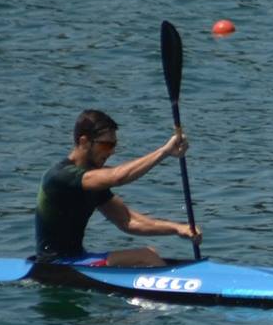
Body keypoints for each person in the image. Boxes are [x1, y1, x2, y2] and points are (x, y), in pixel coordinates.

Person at [34, 109, 198, 267]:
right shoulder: (61, 176)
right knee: (145, 256)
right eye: (106, 145)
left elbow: (127, 221)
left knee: (150, 252)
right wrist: (165, 151)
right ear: (84, 142)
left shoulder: (92, 181)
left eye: (114, 145)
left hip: (78, 258)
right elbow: (118, 176)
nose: (111, 152)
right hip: (56, 264)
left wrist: (178, 228)